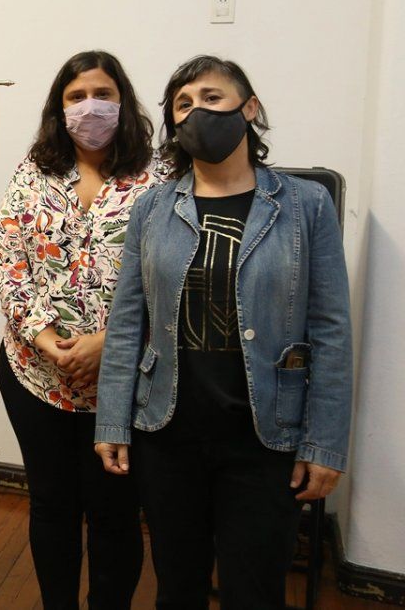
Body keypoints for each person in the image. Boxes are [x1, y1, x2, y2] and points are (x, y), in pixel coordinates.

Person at [94, 55, 353, 609]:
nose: (196, 113)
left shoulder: (307, 206)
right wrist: (113, 419)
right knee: (177, 588)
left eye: (211, 98)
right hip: (167, 432)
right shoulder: (154, 208)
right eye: (183, 105)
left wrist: (324, 442)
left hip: (265, 437)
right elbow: (125, 324)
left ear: (249, 108)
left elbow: (331, 328)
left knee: (254, 592)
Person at [0, 51, 165, 609]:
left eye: (103, 94)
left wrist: (108, 344)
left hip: (124, 382)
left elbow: (175, 280)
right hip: (34, 375)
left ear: (124, 102)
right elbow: (8, 266)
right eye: (75, 96)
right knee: (51, 506)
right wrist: (47, 341)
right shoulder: (33, 172)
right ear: (58, 107)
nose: (90, 105)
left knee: (114, 515)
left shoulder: (160, 179)